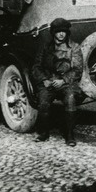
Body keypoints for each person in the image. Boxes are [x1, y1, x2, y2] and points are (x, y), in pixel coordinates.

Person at [31, 18, 83, 146]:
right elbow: (36, 67)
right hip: (48, 81)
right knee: (43, 101)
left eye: (64, 32)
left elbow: (77, 69)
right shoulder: (45, 47)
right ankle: (44, 133)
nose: (61, 34)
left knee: (70, 99)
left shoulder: (74, 47)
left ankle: (70, 135)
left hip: (66, 82)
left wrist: (63, 80)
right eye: (58, 31)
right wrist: (44, 80)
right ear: (53, 33)